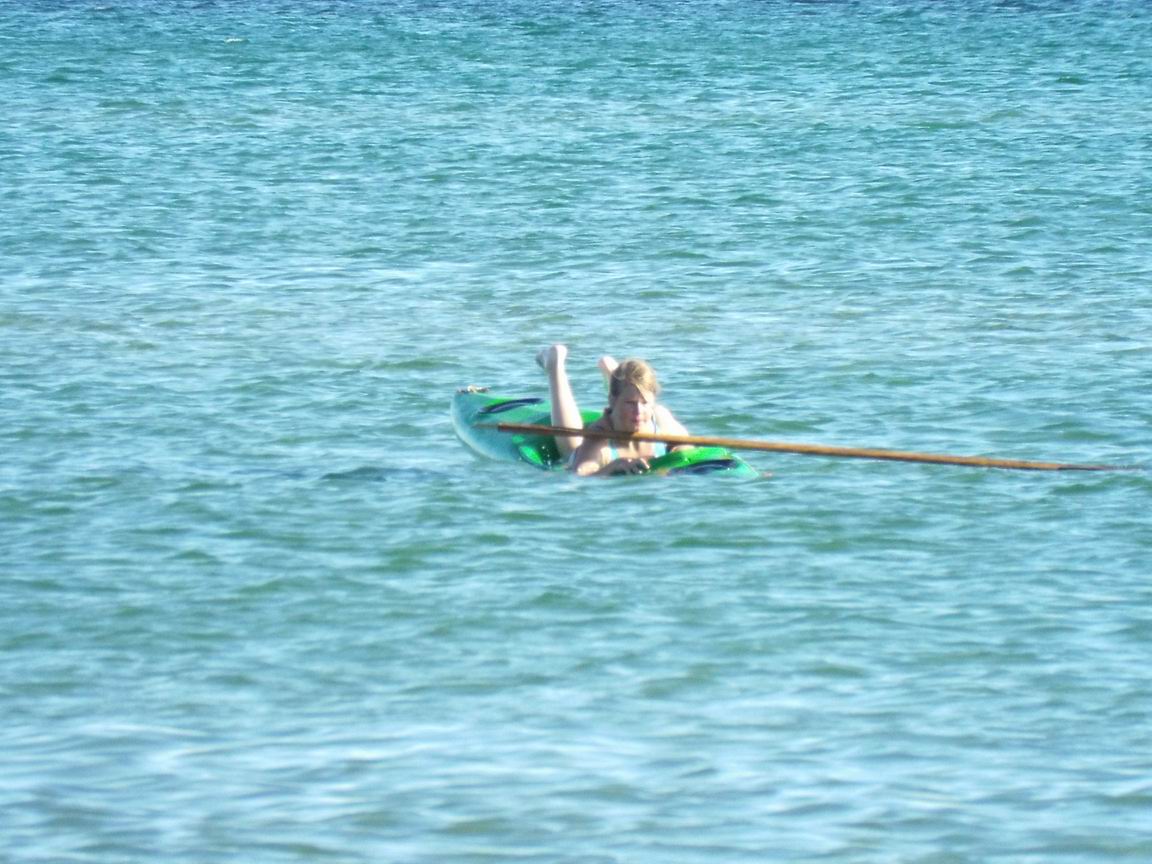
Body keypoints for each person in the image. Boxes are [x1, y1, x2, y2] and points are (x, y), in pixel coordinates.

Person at [536, 344, 690, 476]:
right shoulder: (598, 437)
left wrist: (677, 452)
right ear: (612, 400)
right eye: (630, 403)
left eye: (644, 403)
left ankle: (614, 374)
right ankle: (554, 364)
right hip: (590, 446)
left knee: (631, 391)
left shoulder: (660, 418)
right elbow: (581, 474)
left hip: (627, 402)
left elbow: (689, 449)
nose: (638, 411)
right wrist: (613, 467)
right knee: (571, 444)